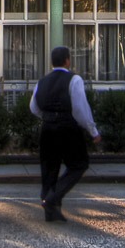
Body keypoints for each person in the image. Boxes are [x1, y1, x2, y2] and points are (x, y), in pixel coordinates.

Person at [29, 45, 101, 223]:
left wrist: (48, 117)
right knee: (79, 164)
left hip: (47, 127)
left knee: (49, 168)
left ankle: (51, 211)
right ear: (68, 60)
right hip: (68, 126)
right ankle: (52, 200)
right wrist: (93, 131)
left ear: (52, 61)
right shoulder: (74, 79)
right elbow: (80, 109)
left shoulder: (42, 81)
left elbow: (33, 107)